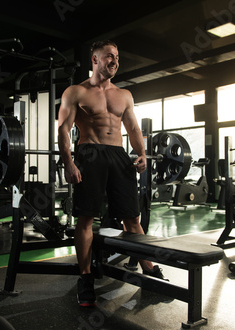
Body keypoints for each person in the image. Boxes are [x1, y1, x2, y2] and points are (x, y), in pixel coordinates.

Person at [57, 40, 165, 307]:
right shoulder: (75, 91)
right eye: (109, 56)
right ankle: (85, 278)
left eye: (117, 56)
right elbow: (63, 129)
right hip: (89, 154)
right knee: (86, 218)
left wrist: (141, 153)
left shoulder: (124, 95)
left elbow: (133, 128)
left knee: (132, 217)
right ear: (95, 60)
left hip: (118, 155)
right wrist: (68, 162)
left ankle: (149, 269)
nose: (114, 61)